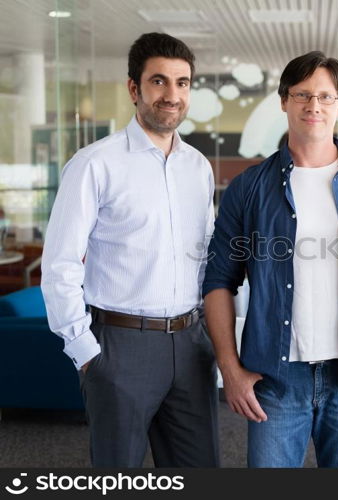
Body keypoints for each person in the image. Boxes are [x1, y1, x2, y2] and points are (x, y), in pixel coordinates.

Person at [203, 51, 338, 468]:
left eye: (325, 96)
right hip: (276, 380)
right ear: (283, 101)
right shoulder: (250, 187)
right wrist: (229, 368)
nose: (313, 106)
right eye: (302, 95)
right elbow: (218, 281)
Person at [41, 33, 219, 467]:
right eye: (159, 81)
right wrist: (85, 351)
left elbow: (207, 258)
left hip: (192, 344)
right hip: (120, 346)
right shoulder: (94, 163)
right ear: (134, 88)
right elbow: (60, 263)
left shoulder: (197, 167)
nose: (172, 95)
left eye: (182, 83)